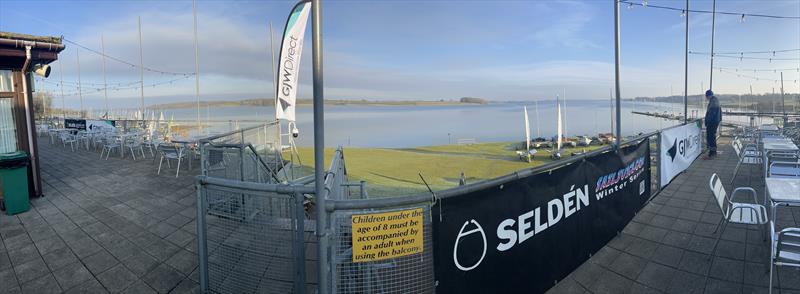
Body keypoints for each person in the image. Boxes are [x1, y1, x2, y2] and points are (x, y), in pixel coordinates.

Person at [704, 89, 722, 158]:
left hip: (712, 122)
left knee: (710, 136)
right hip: (715, 121)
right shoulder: (715, 100)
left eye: (706, 96)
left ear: (708, 96)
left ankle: (712, 153)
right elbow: (719, 112)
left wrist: (707, 122)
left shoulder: (713, 102)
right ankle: (713, 151)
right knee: (712, 136)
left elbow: (711, 114)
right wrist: (719, 119)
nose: (706, 98)